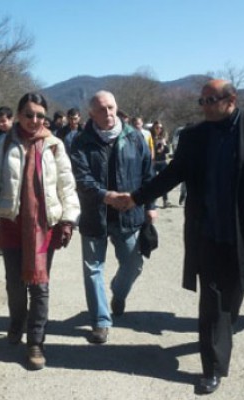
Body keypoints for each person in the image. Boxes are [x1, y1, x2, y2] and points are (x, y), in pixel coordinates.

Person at [125, 79, 244, 394]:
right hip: (208, 233)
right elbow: (172, 175)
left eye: (210, 100)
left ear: (231, 100)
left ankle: (221, 336)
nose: (204, 106)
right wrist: (135, 198)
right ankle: (211, 368)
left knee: (233, 297)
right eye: (201, 101)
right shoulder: (193, 136)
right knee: (211, 303)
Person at [0, 93, 80, 371]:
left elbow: (66, 186)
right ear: (19, 115)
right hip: (12, 224)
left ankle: (36, 341)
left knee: (40, 286)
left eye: (39, 115)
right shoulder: (4, 143)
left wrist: (68, 220)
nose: (34, 120)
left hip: (46, 226)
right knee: (14, 283)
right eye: (29, 114)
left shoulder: (54, 145)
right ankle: (16, 321)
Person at [70, 90, 156, 345]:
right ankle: (100, 321)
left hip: (129, 214)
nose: (107, 113)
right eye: (101, 109)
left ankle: (118, 292)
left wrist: (149, 205)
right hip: (94, 214)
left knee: (133, 265)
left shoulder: (135, 137)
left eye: (111, 107)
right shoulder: (80, 141)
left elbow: (148, 173)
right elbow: (81, 178)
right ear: (91, 113)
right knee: (93, 270)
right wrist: (107, 196)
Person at [151, 120, 171, 208]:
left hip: (162, 162)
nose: (159, 129)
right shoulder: (150, 137)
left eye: (160, 128)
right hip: (154, 163)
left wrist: (164, 144)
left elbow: (167, 151)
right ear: (153, 128)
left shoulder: (163, 138)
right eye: (157, 127)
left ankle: (165, 200)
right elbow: (150, 150)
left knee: (164, 182)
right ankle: (152, 201)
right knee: (153, 183)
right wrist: (155, 146)